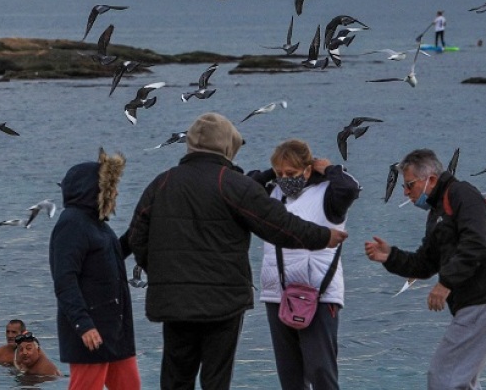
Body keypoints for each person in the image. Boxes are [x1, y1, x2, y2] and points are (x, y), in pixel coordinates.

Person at [128, 112, 348, 390]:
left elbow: (137, 236)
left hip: (174, 300)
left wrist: (163, 272)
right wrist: (323, 236)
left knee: (176, 376)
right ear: (227, 146)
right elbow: (279, 226)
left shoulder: (161, 182)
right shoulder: (232, 183)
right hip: (224, 300)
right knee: (215, 379)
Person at [364, 149, 486, 390]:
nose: (405, 193)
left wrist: (445, 283)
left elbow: (476, 243)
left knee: (444, 377)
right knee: (460, 380)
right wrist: (390, 256)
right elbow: (425, 263)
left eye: (409, 185)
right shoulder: (437, 211)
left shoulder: (462, 194)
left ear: (431, 179)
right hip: (476, 301)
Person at [250, 139, 360, 390]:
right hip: (277, 294)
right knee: (290, 375)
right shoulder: (272, 193)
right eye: (280, 174)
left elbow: (350, 189)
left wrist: (330, 169)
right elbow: (245, 186)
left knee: (321, 370)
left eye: (291, 173)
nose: (285, 179)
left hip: (320, 295)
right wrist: (272, 172)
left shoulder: (329, 195)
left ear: (308, 170)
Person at [50, 149, 140, 389]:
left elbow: (111, 258)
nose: (117, 192)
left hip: (115, 331)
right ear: (93, 189)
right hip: (90, 332)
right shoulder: (72, 223)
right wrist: (83, 325)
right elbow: (64, 280)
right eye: (110, 186)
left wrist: (136, 234)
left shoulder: (97, 225)